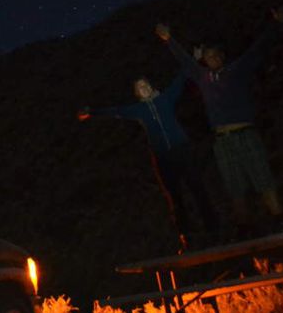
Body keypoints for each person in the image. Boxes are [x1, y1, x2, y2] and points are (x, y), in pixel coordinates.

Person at [155, 6, 283, 237]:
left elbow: (257, 49)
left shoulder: (236, 70)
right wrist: (169, 40)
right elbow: (186, 61)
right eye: (208, 56)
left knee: (262, 178)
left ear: (222, 57)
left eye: (216, 55)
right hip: (222, 140)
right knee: (234, 186)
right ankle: (245, 229)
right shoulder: (202, 77)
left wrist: (277, 24)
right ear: (205, 61)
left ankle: (282, 221)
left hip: (245, 133)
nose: (212, 58)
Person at [79, 73, 220, 249]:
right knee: (175, 197)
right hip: (163, 157)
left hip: (182, 150)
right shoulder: (137, 109)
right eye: (139, 88)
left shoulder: (166, 98)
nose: (143, 88)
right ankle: (187, 237)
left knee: (198, 189)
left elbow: (180, 79)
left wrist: (194, 59)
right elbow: (116, 111)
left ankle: (215, 230)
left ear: (151, 87)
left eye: (145, 85)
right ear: (137, 94)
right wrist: (91, 112)